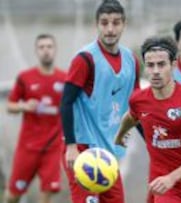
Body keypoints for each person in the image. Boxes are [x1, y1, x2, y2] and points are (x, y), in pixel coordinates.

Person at [115, 36, 181, 203]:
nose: (155, 70)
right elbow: (130, 117)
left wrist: (173, 177)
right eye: (150, 65)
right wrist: (120, 136)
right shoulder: (139, 100)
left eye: (161, 64)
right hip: (166, 189)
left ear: (173, 65)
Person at [60, 0, 140, 202]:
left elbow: (137, 108)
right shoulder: (85, 59)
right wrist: (71, 147)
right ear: (97, 25)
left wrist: (153, 143)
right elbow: (66, 102)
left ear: (124, 24)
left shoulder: (131, 60)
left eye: (116, 23)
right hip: (82, 148)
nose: (110, 29)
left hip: (107, 150)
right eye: (104, 23)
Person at [4, 34, 66, 203]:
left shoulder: (64, 79)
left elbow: (72, 109)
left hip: (53, 147)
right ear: (36, 51)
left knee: (47, 194)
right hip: (28, 147)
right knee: (13, 195)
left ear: (55, 50)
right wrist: (24, 106)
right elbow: (10, 106)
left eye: (49, 47)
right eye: (42, 47)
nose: (46, 51)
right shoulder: (25, 77)